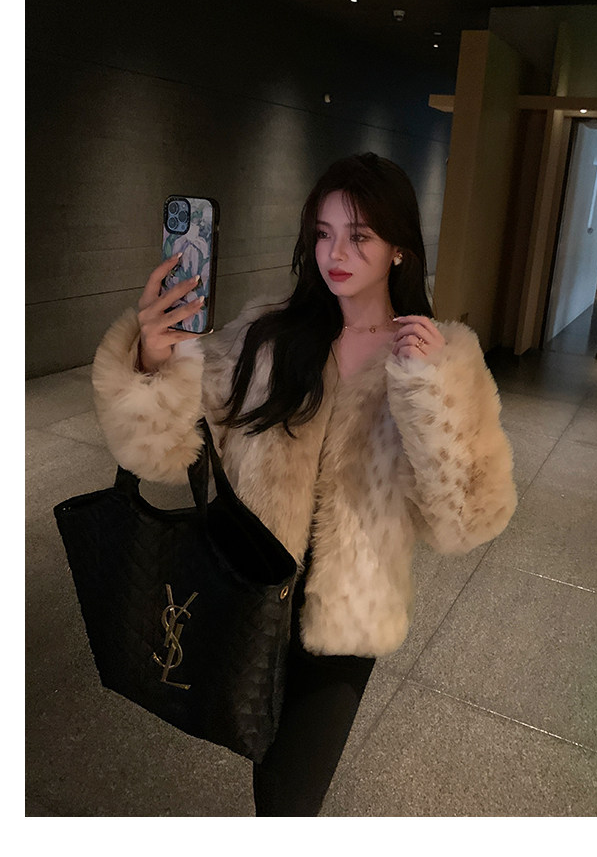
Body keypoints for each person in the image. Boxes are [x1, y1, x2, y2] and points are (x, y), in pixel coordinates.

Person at [92, 152, 517, 816]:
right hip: (249, 592)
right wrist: (150, 358)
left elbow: (465, 519)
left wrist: (432, 390)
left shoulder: (439, 356)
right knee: (264, 767)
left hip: (346, 621)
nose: (335, 253)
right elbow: (168, 450)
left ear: (400, 249)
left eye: (359, 235)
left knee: (288, 797)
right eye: (323, 233)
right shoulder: (268, 335)